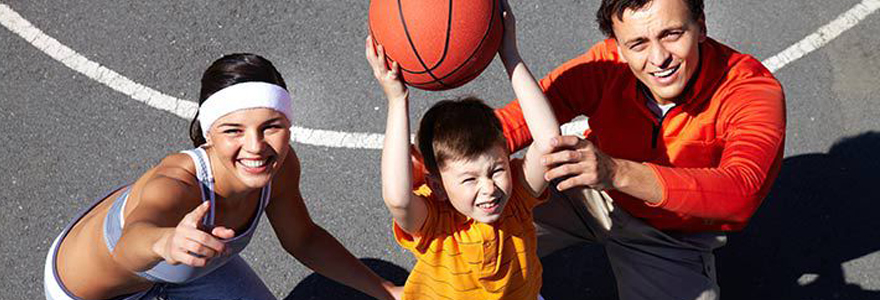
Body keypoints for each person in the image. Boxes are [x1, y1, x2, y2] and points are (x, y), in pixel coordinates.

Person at [44, 53, 401, 300]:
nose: (256, 147)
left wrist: (386, 291)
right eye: (233, 130)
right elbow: (127, 246)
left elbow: (303, 239)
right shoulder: (178, 185)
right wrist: (163, 243)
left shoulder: (282, 166)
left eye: (271, 127)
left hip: (191, 268)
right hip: (92, 291)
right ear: (209, 133)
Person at [493, 0, 786, 299]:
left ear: (701, 26)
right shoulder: (606, 65)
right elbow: (514, 122)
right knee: (469, 211)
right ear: (618, 46)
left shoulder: (749, 90)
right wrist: (446, 161)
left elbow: (742, 192)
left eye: (671, 34)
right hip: (588, 193)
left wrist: (616, 172)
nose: (659, 58)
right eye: (638, 44)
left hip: (671, 236)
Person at [365, 2, 559, 299]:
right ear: (437, 186)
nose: (489, 188)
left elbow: (548, 143)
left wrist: (510, 55)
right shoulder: (437, 224)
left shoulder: (516, 198)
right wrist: (396, 99)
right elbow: (398, 199)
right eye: (469, 179)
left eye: (497, 170)